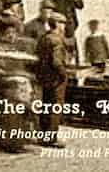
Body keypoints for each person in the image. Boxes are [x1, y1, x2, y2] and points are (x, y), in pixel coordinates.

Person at [36, 15, 68, 149]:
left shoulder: (44, 38)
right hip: (55, 79)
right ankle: (51, 138)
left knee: (45, 106)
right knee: (55, 107)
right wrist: (64, 75)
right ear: (58, 24)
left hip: (44, 77)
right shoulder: (57, 40)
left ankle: (43, 135)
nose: (64, 27)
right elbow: (56, 62)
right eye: (63, 23)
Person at [44, 0, 84, 65]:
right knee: (58, 45)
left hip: (70, 23)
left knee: (71, 46)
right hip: (57, 23)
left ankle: (72, 64)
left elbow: (80, 6)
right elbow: (47, 6)